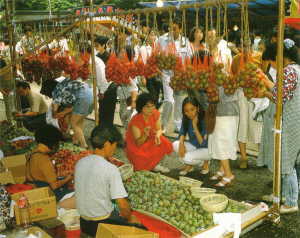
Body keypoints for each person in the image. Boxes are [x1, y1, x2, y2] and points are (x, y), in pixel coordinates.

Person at [75, 125, 140, 237]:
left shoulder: (80, 163)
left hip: (84, 222)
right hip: (102, 224)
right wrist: (130, 218)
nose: (114, 150)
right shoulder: (110, 169)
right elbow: (123, 206)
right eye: (114, 145)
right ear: (106, 144)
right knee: (140, 227)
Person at [258, 39, 300, 214]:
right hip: (294, 120)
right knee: (290, 161)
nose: (273, 66)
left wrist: (265, 92)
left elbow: (279, 97)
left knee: (285, 162)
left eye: (274, 61)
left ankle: (291, 202)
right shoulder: (296, 69)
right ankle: (281, 195)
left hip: (290, 122)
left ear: (281, 57)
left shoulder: (289, 71)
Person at [158, 19, 192, 133]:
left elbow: (189, 57)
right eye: (170, 29)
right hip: (166, 73)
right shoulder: (162, 39)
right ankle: (163, 125)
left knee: (179, 101)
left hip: (180, 75)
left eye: (175, 29)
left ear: (180, 29)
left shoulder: (185, 42)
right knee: (169, 100)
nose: (172, 31)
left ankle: (178, 125)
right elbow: (156, 55)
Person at [126, 93, 173, 172]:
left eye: (153, 106)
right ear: (141, 107)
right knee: (140, 161)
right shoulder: (135, 121)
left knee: (163, 141)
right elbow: (138, 143)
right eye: (147, 106)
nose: (151, 109)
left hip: (150, 137)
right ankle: (150, 165)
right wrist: (144, 135)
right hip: (136, 145)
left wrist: (158, 136)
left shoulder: (154, 113)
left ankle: (154, 164)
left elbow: (159, 129)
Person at [26, 125, 73, 202]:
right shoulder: (43, 159)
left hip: (35, 190)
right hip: (46, 195)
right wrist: (69, 178)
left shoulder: (33, 154)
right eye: (57, 142)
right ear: (53, 143)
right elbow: (54, 186)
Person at [52, 77, 93, 148]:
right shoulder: (64, 85)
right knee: (79, 121)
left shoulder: (56, 92)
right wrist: (62, 114)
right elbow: (71, 108)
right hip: (90, 95)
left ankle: (84, 145)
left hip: (83, 97)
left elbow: (55, 107)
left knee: (74, 123)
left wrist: (55, 113)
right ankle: (76, 141)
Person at [173, 97, 210, 175]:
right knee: (175, 144)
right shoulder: (186, 118)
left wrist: (195, 126)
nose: (190, 113)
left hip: (207, 149)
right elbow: (182, 131)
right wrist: (181, 144)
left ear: (197, 108)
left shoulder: (204, 119)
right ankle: (191, 164)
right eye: (186, 111)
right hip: (194, 146)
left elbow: (203, 144)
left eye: (192, 109)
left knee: (186, 158)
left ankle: (205, 162)